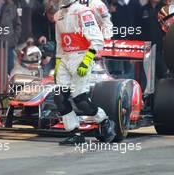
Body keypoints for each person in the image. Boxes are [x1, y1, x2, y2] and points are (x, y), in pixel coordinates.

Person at [54, 0, 116, 145]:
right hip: (64, 57)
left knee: (80, 100)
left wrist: (87, 60)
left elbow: (97, 39)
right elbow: (59, 42)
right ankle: (74, 133)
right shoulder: (58, 15)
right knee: (59, 98)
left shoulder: (83, 12)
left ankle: (105, 120)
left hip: (81, 56)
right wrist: (57, 63)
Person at [139, 0, 167, 89]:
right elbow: (137, 29)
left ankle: (163, 98)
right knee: (147, 78)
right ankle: (147, 100)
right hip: (147, 48)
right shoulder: (142, 10)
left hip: (162, 49)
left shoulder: (166, 9)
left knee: (164, 76)